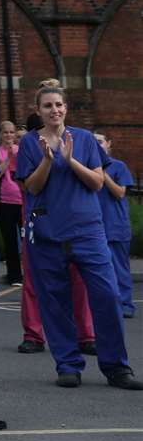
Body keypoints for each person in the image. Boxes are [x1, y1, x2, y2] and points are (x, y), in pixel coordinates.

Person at [15, 81, 141, 390]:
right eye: (47, 106)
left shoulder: (83, 140)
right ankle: (68, 365)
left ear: (65, 108)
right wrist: (48, 159)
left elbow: (97, 182)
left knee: (107, 297)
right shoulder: (31, 144)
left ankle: (116, 367)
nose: (54, 110)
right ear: (38, 111)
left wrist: (70, 160)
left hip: (87, 232)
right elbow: (31, 187)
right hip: (47, 234)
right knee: (55, 302)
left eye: (58, 105)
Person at [98, 134, 135, 319]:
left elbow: (120, 193)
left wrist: (103, 174)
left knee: (120, 269)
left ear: (108, 144)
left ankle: (126, 304)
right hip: (95, 228)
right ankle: (107, 306)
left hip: (116, 226)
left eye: (100, 141)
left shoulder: (118, 166)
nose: (97, 145)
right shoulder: (87, 167)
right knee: (100, 272)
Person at [0, 120, 24, 285]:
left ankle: (31, 273)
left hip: (22, 201)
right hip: (4, 201)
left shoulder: (22, 151)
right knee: (10, 240)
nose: (9, 136)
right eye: (6, 132)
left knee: (26, 239)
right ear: (0, 134)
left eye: (12, 132)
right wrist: (8, 159)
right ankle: (14, 275)